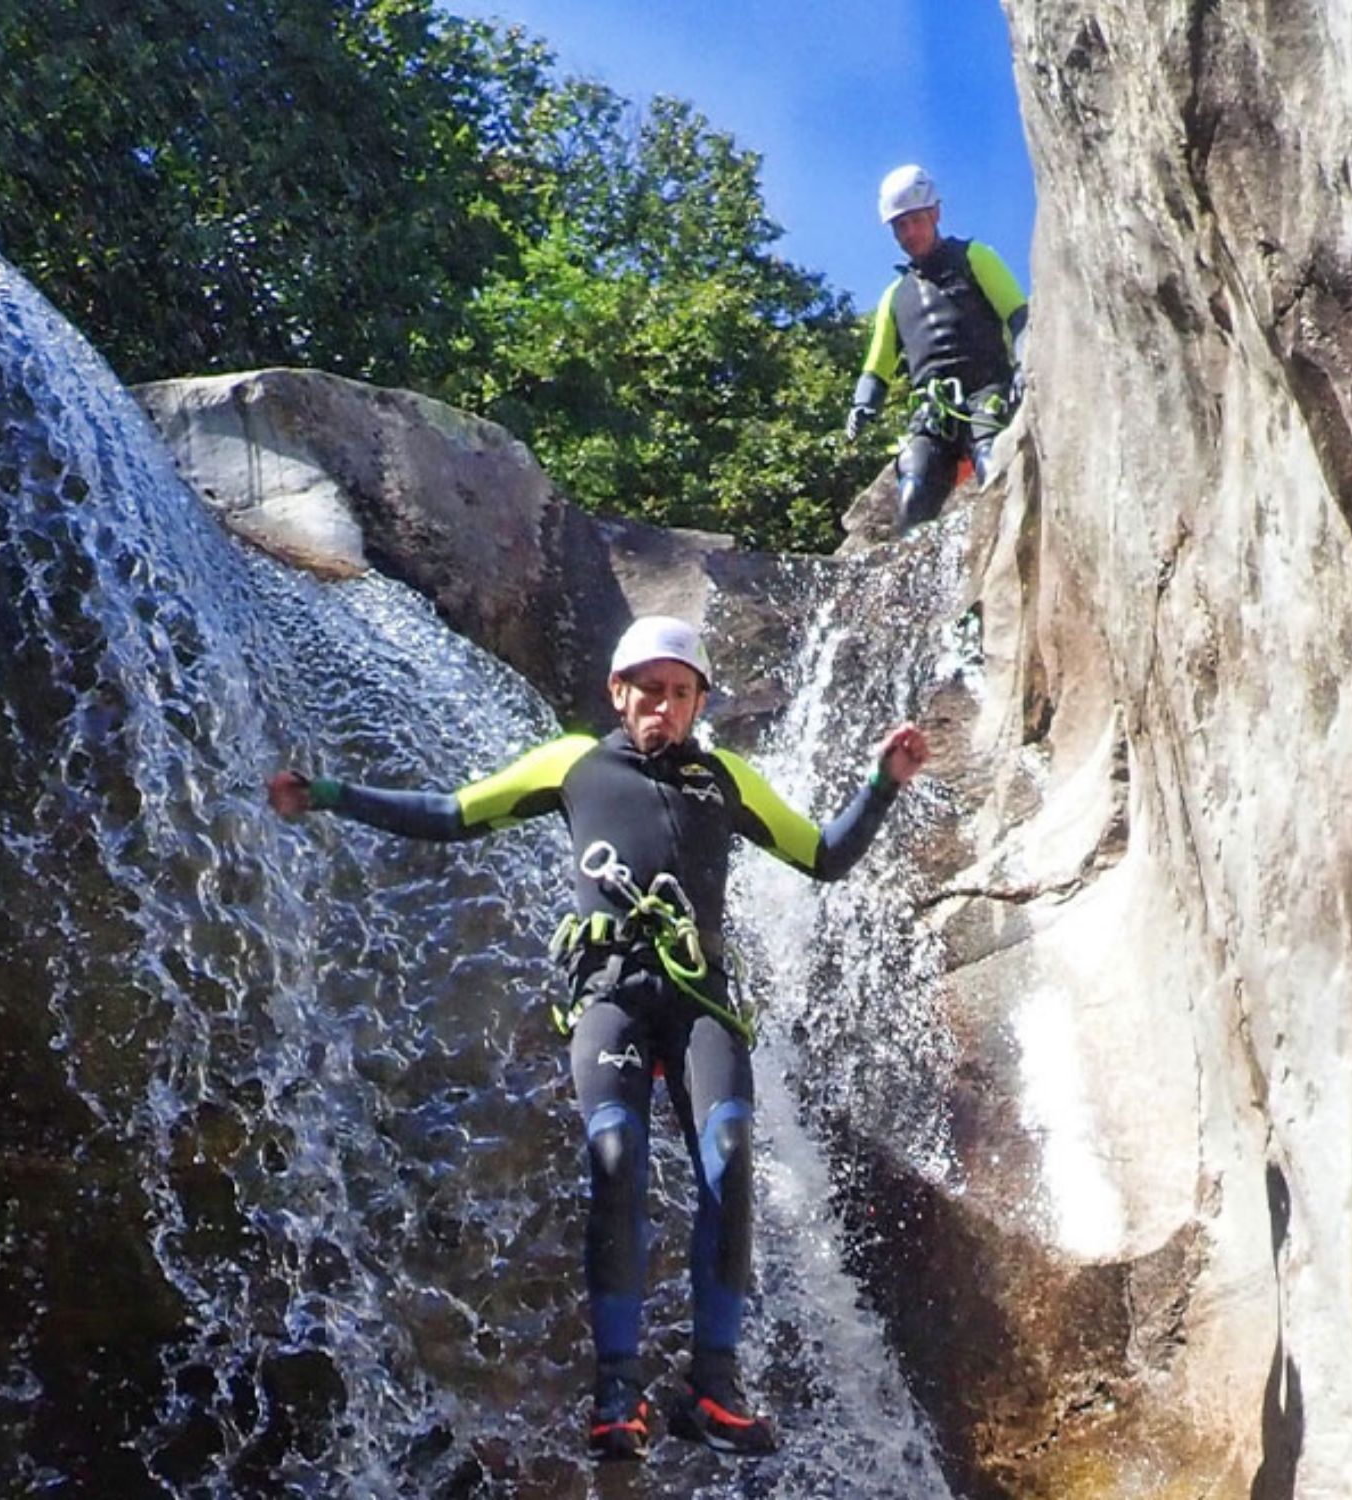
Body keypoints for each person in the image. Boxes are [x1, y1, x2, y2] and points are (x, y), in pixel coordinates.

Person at [267, 615, 928, 1462]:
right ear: (619, 693)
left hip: (700, 1004)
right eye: (649, 690)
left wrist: (882, 781)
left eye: (681, 692)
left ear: (698, 703)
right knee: (615, 1159)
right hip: (609, 996)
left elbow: (823, 855)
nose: (664, 705)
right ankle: (616, 1394)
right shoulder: (574, 763)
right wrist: (330, 795)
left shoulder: (724, 778)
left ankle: (712, 1386)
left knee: (727, 1154)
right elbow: (451, 813)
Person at [845, 163, 1030, 532]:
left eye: (915, 220)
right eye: (900, 225)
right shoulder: (895, 297)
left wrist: (1025, 363)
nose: (909, 232)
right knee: (914, 491)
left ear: (935, 213)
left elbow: (1018, 314)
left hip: (986, 390)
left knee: (992, 462)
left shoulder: (974, 257)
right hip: (931, 410)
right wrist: (863, 404)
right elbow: (877, 366)